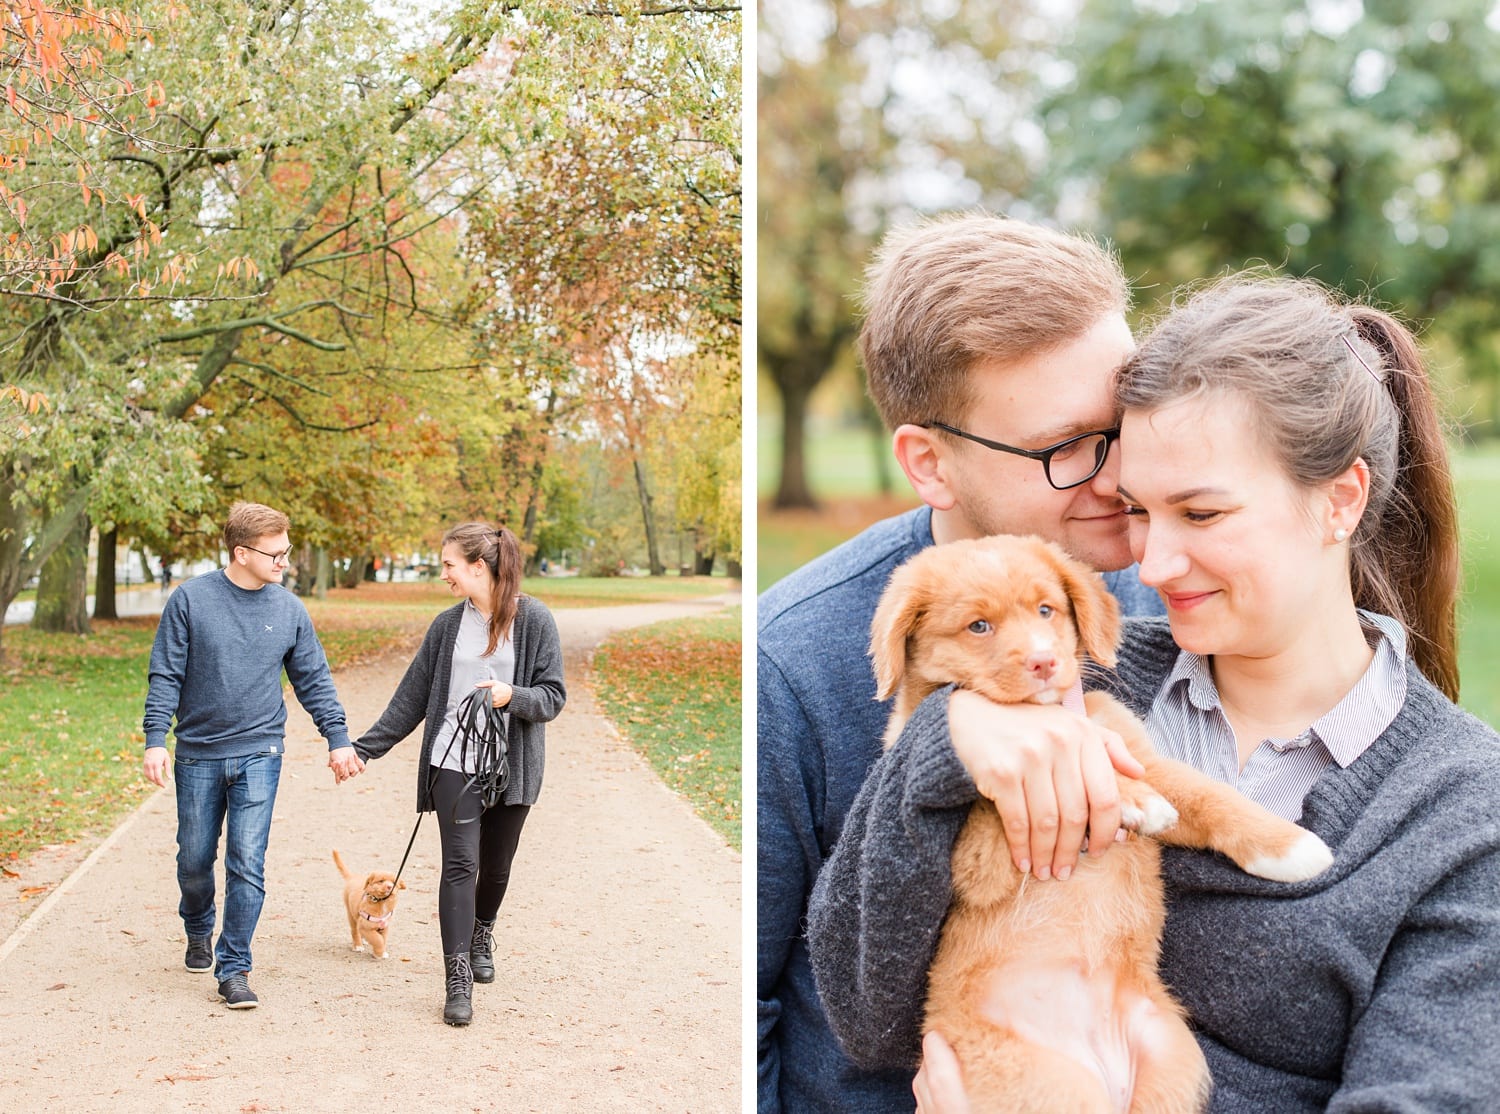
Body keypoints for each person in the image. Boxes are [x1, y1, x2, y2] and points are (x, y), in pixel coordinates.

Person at [805, 274, 1500, 1112]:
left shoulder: (1464, 809)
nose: (1152, 563)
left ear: (1339, 501)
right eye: (1137, 509)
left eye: (1200, 515)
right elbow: (867, 1021)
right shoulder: (1079, 668)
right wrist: (945, 742)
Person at [758, 212, 1168, 1113]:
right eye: (1065, 447)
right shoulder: (786, 666)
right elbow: (738, 1020)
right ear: (929, 463)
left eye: (1124, 425)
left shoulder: (1170, 588)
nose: (1114, 478)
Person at [142, 501, 364, 1010]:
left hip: (261, 751)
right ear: (242, 553)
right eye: (277, 553)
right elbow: (166, 674)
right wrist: (157, 738)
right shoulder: (191, 601)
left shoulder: (288, 609)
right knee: (195, 859)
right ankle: (198, 925)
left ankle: (235, 967)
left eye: (287, 552)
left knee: (248, 862)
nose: (286, 562)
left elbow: (313, 678)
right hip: (198, 753)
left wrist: (338, 737)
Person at [351, 522, 565, 1027]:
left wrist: (512, 695)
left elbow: (553, 696)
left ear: (478, 567)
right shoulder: (447, 626)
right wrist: (365, 749)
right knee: (460, 867)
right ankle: (457, 977)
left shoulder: (534, 620)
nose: (443, 573)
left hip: (510, 767)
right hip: (452, 760)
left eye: (449, 564)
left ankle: (481, 931)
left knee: (495, 868)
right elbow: (412, 697)